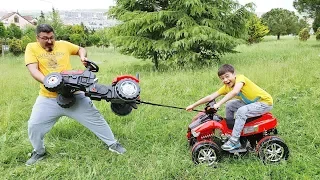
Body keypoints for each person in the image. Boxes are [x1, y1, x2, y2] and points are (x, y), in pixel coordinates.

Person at [24, 24, 126, 166]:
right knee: (34, 125)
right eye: (45, 38)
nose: (49, 41)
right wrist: (49, 82)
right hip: (48, 97)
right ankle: (39, 152)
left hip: (75, 94)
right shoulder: (31, 47)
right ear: (37, 38)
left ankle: (113, 144)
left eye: (51, 37)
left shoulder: (63, 45)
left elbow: (80, 49)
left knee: (96, 118)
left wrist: (83, 57)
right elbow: (33, 70)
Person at [186, 64, 273, 151]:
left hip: (264, 103)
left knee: (241, 111)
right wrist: (193, 105)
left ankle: (234, 141)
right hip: (251, 103)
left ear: (234, 74)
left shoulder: (240, 78)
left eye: (227, 76)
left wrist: (219, 103)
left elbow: (235, 92)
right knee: (230, 105)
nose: (225, 80)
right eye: (222, 78)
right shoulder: (227, 87)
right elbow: (210, 97)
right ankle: (230, 132)